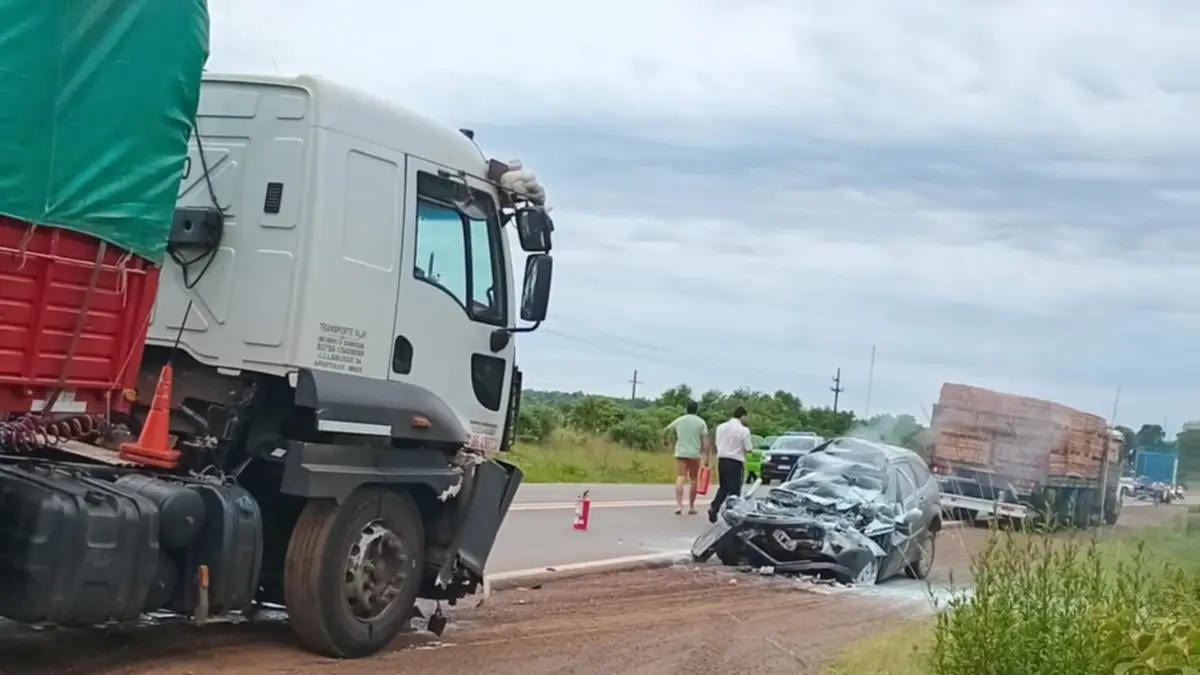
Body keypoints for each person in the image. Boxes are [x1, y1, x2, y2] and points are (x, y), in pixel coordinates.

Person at [664, 401, 709, 515]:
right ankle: (691, 506)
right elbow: (705, 442)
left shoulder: (680, 420)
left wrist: (666, 441)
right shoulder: (701, 422)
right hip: (694, 454)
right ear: (696, 409)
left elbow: (667, 430)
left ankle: (679, 506)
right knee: (693, 479)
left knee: (680, 477)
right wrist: (706, 456)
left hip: (681, 452)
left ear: (686, 408)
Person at [708, 406, 752, 523]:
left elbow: (717, 443)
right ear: (743, 416)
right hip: (735, 461)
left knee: (723, 487)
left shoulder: (720, 427)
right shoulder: (744, 430)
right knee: (735, 490)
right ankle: (732, 513)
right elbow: (748, 448)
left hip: (722, 460)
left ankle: (714, 507)